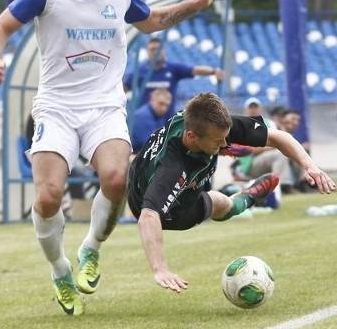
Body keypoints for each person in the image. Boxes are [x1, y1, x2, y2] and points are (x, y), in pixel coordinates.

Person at [0, 0, 227, 315]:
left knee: (117, 179)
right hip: (57, 107)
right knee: (47, 196)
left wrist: (198, 3)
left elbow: (152, 22)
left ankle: (91, 248)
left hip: (104, 105)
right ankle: (60, 269)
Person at [127, 92, 335, 294]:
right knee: (219, 202)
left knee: (218, 184)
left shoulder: (206, 120)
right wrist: (160, 269)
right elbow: (148, 216)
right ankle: (245, 198)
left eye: (226, 139)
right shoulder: (171, 169)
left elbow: (280, 137)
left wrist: (310, 166)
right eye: (218, 141)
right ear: (192, 137)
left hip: (154, 168)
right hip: (166, 207)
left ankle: (245, 192)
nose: (224, 142)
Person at [124, 36, 225, 116]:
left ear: (164, 51)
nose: (155, 52)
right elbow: (125, 88)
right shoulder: (140, 71)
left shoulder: (172, 68)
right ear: (147, 52)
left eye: (158, 49)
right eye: (152, 49)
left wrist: (213, 71)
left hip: (167, 119)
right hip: (146, 119)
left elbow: (194, 70)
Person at [130, 88, 172, 153]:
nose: (164, 108)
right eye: (161, 103)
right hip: (135, 153)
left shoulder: (159, 116)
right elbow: (150, 145)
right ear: (151, 100)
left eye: (167, 105)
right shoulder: (143, 116)